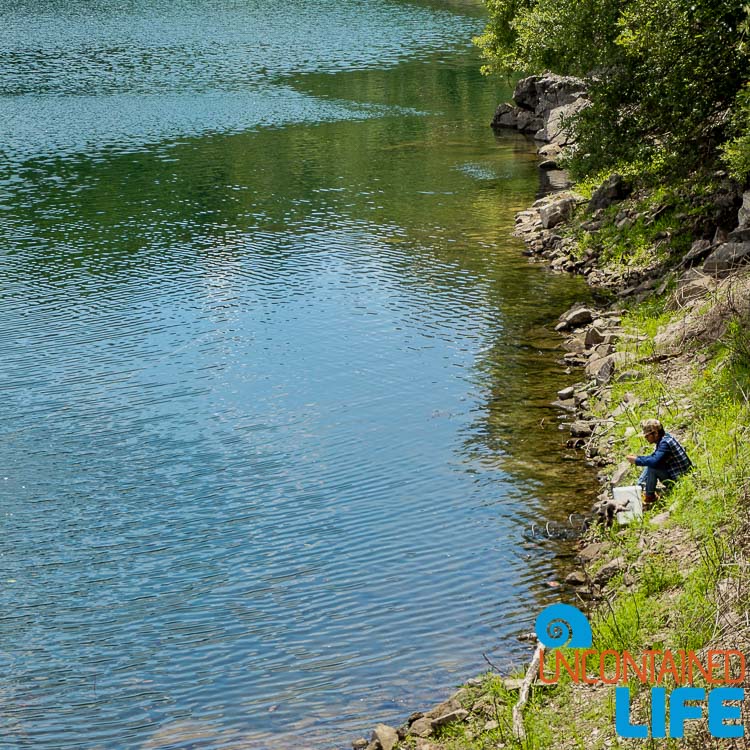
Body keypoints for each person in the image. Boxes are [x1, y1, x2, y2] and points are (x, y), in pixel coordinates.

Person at [627, 419, 692, 507]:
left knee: (652, 467)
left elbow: (654, 461)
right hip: (678, 474)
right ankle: (639, 487)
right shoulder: (665, 438)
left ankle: (650, 496)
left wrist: (637, 460)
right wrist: (638, 458)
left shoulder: (665, 443)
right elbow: (654, 458)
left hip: (679, 479)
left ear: (655, 433)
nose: (646, 438)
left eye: (647, 436)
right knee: (651, 463)